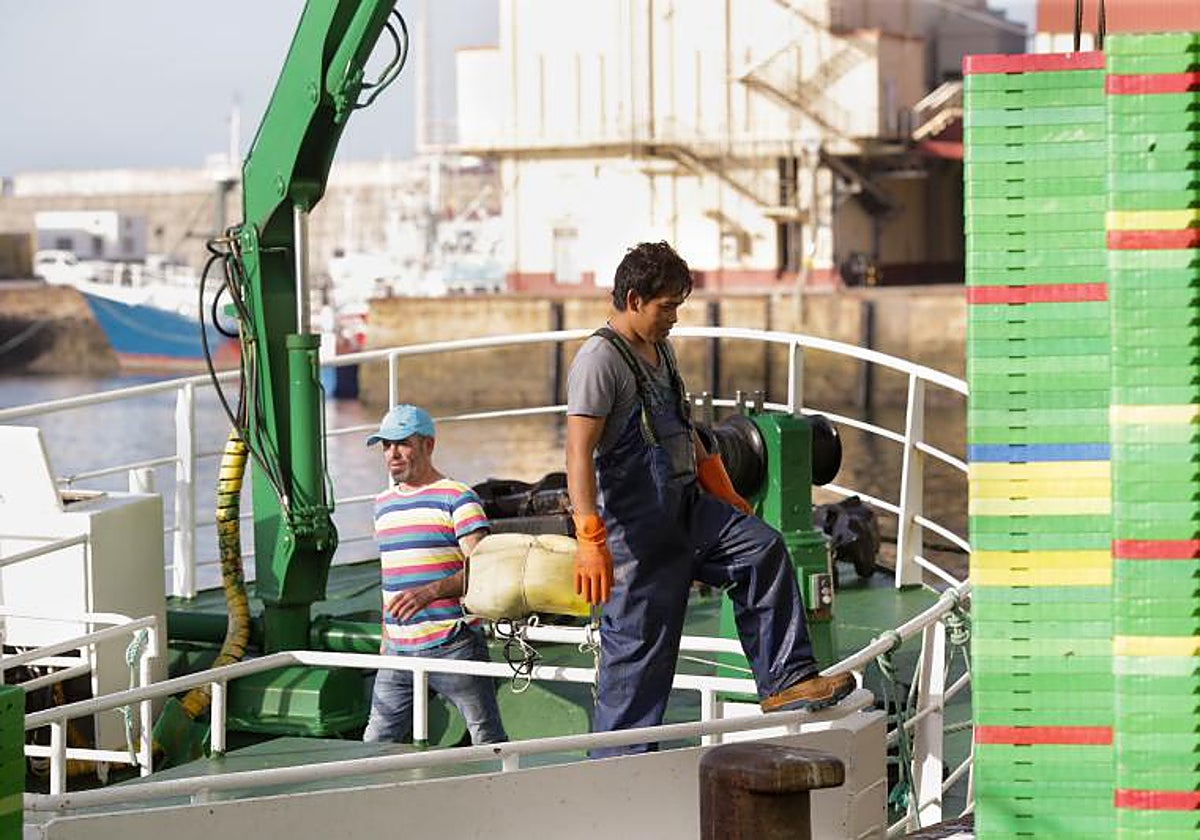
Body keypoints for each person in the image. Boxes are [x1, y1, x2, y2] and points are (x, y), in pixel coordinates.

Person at [565, 241, 855, 756]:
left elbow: (684, 429)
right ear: (633, 299)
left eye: (678, 306)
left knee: (762, 549)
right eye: (666, 307)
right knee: (637, 665)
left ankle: (785, 679)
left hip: (688, 509)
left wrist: (721, 487)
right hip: (638, 535)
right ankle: (614, 774)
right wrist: (590, 535)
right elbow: (578, 452)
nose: (674, 318)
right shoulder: (599, 360)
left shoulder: (660, 350)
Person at [362, 403, 508, 745]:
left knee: (486, 735)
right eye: (386, 445)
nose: (392, 454)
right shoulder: (382, 504)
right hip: (397, 650)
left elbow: (482, 572)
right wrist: (386, 639)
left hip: (453, 643)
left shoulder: (458, 498)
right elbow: (390, 577)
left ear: (428, 445)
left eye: (402, 443)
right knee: (375, 741)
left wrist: (430, 593)